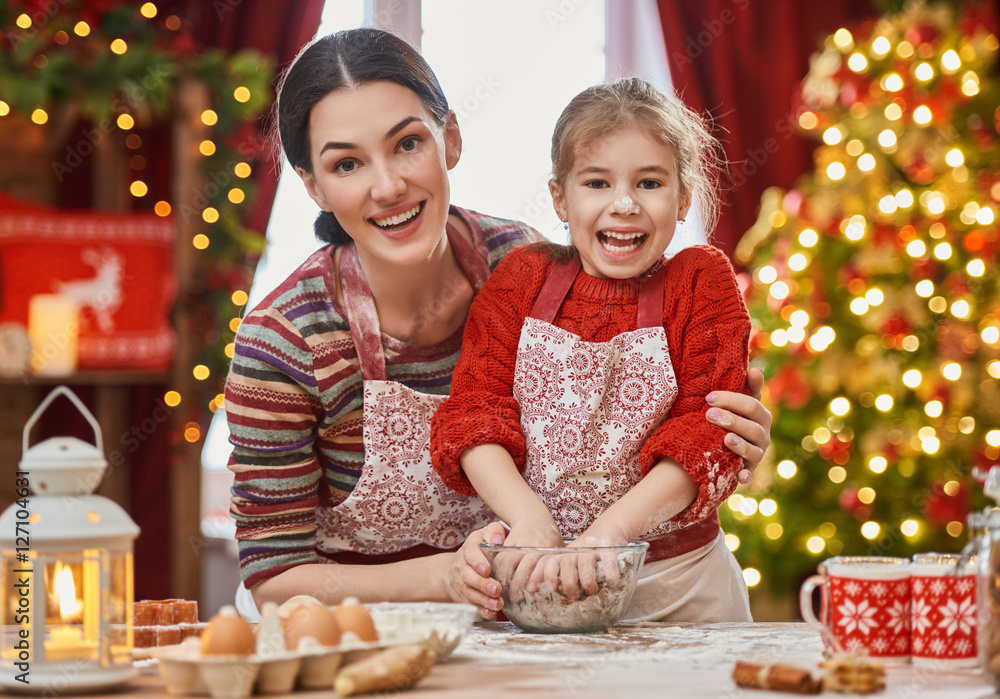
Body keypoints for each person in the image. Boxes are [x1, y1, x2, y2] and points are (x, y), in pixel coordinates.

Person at [225, 27, 771, 622]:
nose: (388, 186)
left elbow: (632, 428)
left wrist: (729, 431)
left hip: (520, 615)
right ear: (314, 187)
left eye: (407, 144)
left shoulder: (522, 262)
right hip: (361, 625)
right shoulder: (283, 341)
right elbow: (274, 578)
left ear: (450, 139)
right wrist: (444, 577)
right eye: (348, 163)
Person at [431, 77, 753, 622]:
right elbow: (473, 415)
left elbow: (708, 432)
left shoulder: (702, 282)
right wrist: (529, 521)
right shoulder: (522, 278)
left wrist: (612, 534)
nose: (623, 204)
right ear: (560, 196)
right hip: (541, 580)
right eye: (597, 183)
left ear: (683, 198)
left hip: (678, 588)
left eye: (649, 183)